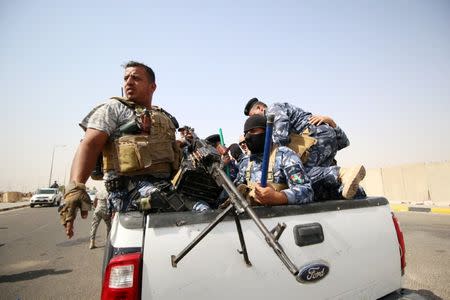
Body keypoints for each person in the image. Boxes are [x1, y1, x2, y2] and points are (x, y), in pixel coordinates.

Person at [59, 61, 182, 239]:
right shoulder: (113, 108)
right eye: (126, 78)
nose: (129, 82)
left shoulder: (163, 117)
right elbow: (90, 144)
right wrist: (76, 188)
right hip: (127, 197)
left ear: (152, 86)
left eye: (136, 78)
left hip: (165, 190)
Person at [243, 98, 365, 200]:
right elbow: (344, 142)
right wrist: (331, 123)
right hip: (327, 137)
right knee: (318, 182)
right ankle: (347, 188)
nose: (252, 120)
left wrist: (278, 159)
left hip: (315, 139)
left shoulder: (273, 109)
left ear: (260, 108)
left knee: (301, 175)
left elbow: (281, 131)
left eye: (253, 116)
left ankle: (342, 173)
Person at [235, 115, 314, 206]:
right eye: (246, 133)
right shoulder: (246, 163)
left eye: (253, 131)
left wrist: (279, 197)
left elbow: (307, 192)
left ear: (266, 132)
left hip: (281, 217)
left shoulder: (285, 155)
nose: (247, 137)